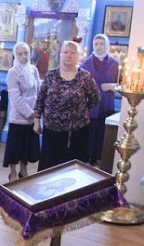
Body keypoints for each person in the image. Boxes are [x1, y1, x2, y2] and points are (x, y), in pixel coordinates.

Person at [34, 40, 100, 170]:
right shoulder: (51, 75)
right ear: (60, 54)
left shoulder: (85, 76)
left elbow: (95, 97)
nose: (68, 55)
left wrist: (81, 110)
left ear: (78, 55)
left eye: (72, 52)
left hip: (77, 131)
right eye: (65, 52)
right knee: (49, 168)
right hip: (52, 130)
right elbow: (40, 99)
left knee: (72, 169)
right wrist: (36, 120)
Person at [3, 42, 41, 181]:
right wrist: (30, 113)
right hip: (18, 117)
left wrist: (37, 113)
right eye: (20, 54)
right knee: (15, 146)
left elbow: (38, 92)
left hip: (32, 116)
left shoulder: (33, 70)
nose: (24, 56)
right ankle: (13, 172)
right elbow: (16, 97)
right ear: (15, 55)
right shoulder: (13, 72)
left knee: (26, 146)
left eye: (26, 53)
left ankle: (23, 170)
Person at [81, 33, 119, 167]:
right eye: (96, 44)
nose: (99, 47)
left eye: (101, 44)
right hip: (90, 107)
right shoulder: (86, 63)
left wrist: (111, 86)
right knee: (90, 136)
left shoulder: (114, 64)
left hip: (107, 105)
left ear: (106, 45)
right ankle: (88, 161)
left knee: (103, 136)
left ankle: (101, 162)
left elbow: (122, 84)